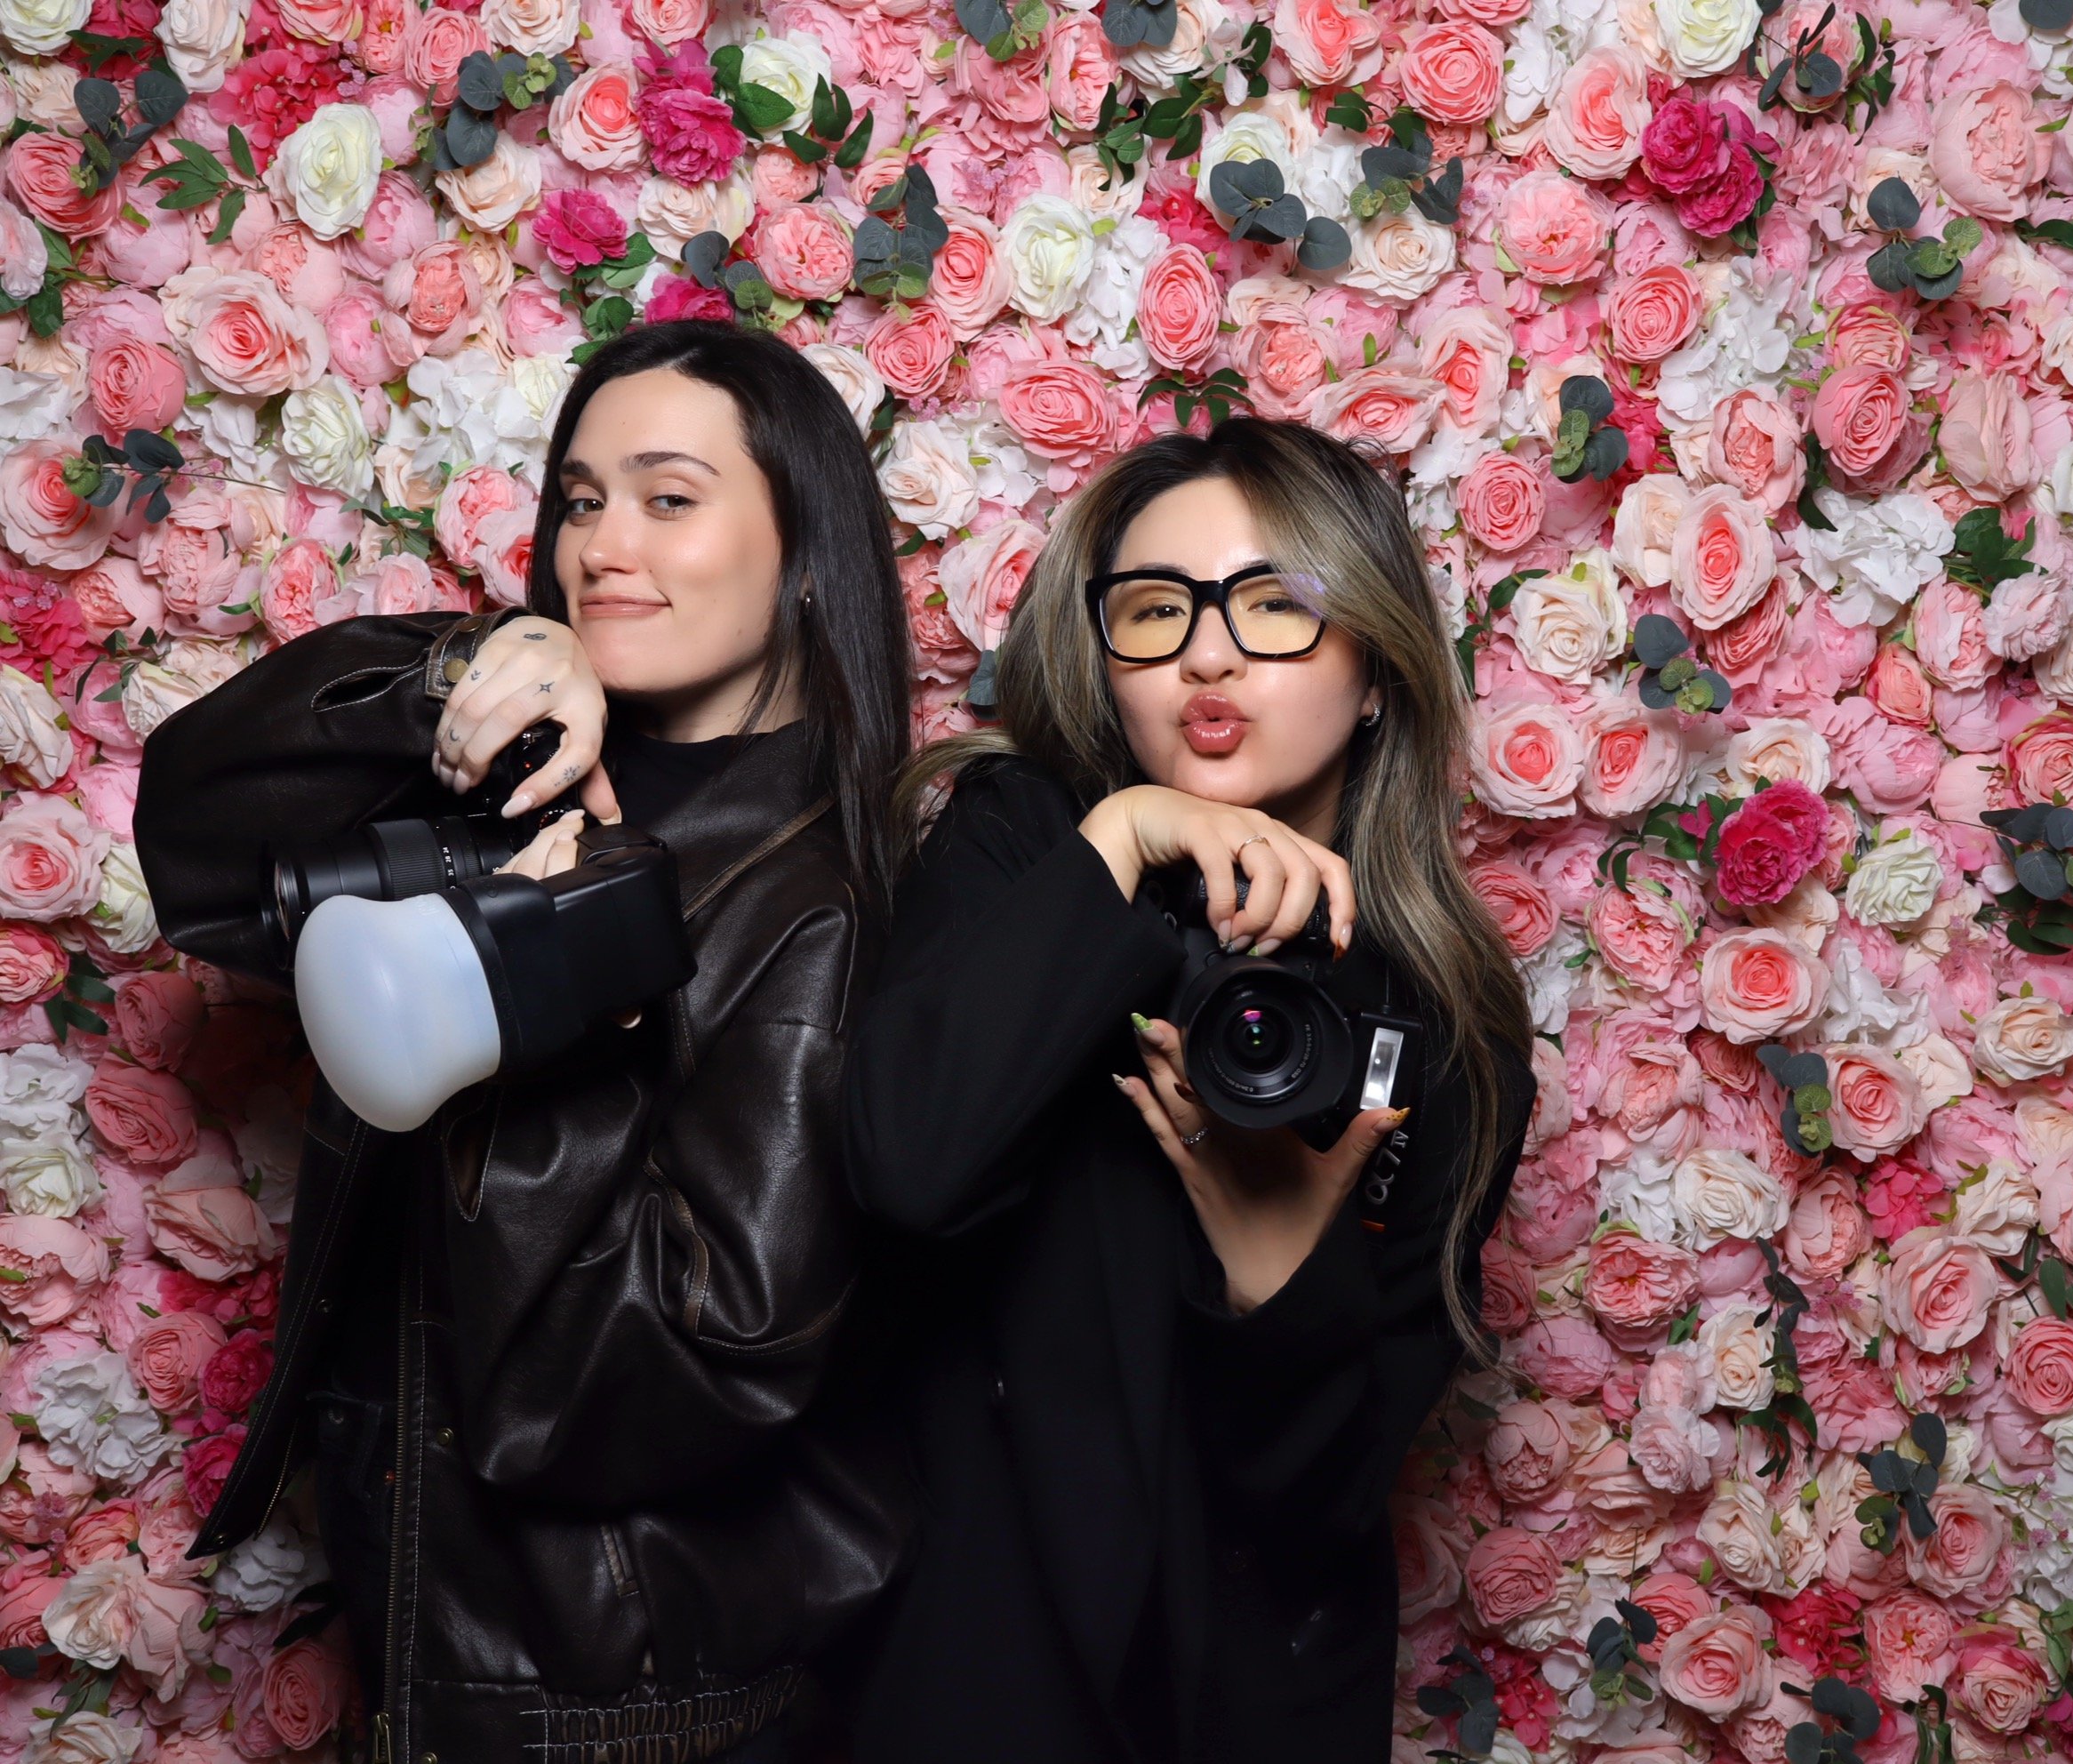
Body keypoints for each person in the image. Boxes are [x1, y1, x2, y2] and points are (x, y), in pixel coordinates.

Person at [132, 320, 915, 1764]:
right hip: (426, 1642)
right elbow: (191, 846)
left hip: (633, 1713)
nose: (603, 546)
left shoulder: (824, 901)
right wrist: (460, 673)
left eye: (669, 499)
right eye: (579, 499)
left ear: (805, 547)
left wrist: (534, 1018)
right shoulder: (522, 783)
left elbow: (664, 1384)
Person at [841, 416, 1538, 1763]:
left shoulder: (1443, 1033)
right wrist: (1120, 838)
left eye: (1275, 605)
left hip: (1241, 1709)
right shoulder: (1030, 854)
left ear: (1378, 666)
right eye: (1154, 612)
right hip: (972, 1675)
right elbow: (900, 1163)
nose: (1206, 654)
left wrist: (1277, 1274)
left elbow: (1315, 1511)